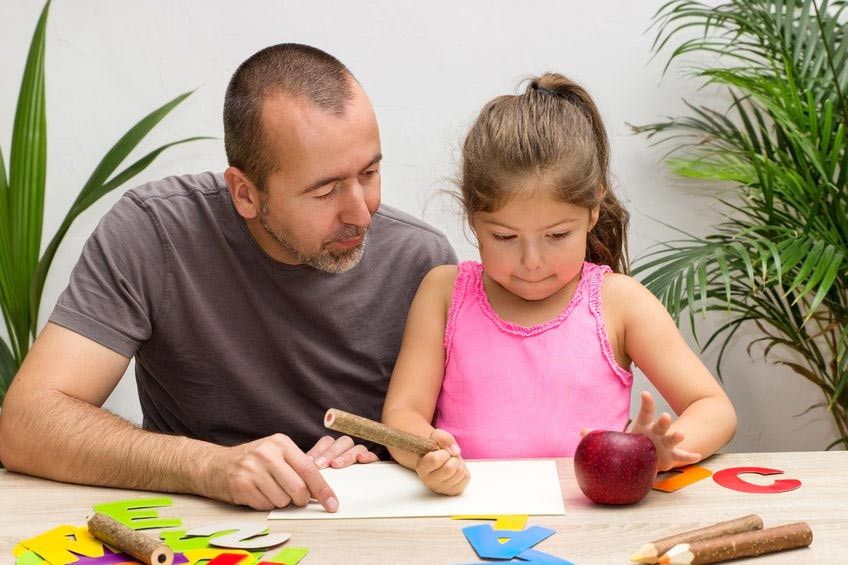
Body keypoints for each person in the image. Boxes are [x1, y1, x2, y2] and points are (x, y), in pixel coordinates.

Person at [0, 44, 456, 511]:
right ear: (244, 193)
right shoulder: (154, 233)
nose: (361, 212)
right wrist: (210, 467)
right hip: (195, 528)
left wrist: (384, 467)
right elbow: (27, 424)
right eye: (325, 190)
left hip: (365, 526)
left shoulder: (424, 264)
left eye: (370, 172)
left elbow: (448, 448)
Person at [381, 73, 737, 495]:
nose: (532, 263)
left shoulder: (619, 302)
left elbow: (714, 409)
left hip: (592, 529)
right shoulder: (443, 293)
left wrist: (652, 453)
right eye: (505, 238)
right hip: (465, 518)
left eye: (557, 236)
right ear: (472, 219)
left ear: (592, 212)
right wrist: (427, 452)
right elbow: (403, 413)